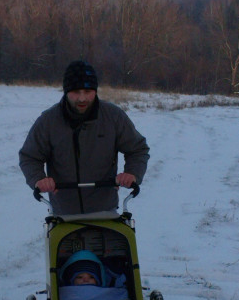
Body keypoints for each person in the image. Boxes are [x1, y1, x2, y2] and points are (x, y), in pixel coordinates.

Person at [19, 60, 150, 215]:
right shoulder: (49, 121)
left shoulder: (113, 117)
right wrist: (38, 179)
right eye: (76, 92)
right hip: (63, 213)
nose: (82, 99)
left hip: (105, 212)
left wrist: (132, 173)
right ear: (66, 91)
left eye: (88, 92)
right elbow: (30, 157)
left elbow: (137, 149)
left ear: (95, 90)